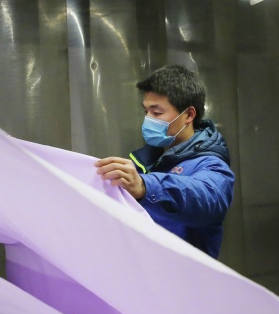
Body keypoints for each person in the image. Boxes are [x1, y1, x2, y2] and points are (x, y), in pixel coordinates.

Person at [94, 65, 234, 259]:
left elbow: (207, 197)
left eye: (157, 113)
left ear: (189, 115)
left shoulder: (211, 164)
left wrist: (145, 187)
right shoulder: (144, 162)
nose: (148, 120)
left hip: (183, 275)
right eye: (146, 112)